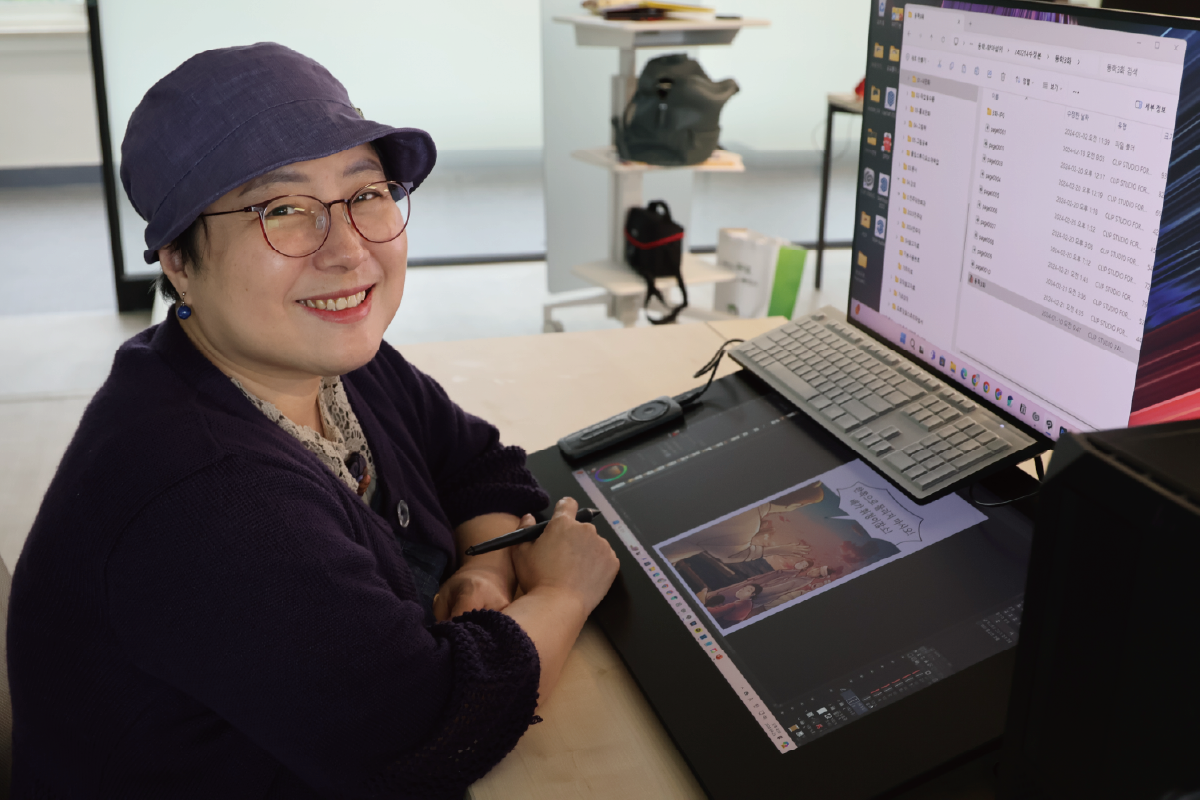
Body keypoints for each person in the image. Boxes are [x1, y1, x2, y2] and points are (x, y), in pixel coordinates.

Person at [4, 43, 619, 799]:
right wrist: (562, 594)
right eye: (283, 211)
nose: (349, 250)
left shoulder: (327, 364)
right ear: (178, 260)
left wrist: (483, 571)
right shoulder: (207, 495)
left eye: (367, 193)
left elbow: (478, 466)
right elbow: (428, 732)